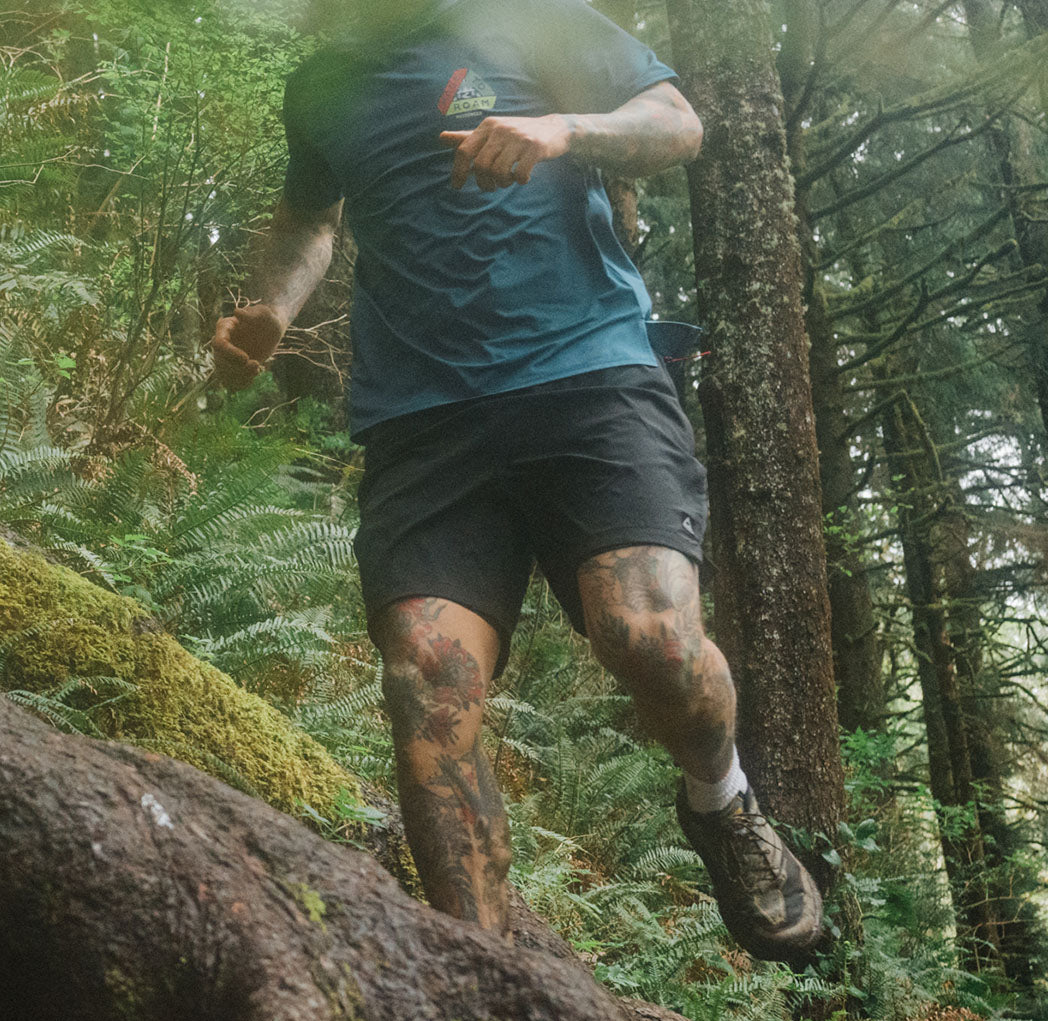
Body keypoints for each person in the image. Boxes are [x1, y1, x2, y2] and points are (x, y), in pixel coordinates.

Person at [213, 0, 824, 965]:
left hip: (590, 376)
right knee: (427, 681)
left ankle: (722, 802)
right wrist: (272, 313)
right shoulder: (320, 86)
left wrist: (563, 128)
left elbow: (678, 124)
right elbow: (309, 221)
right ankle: (483, 982)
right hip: (423, 419)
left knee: (652, 639)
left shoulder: (532, 18)